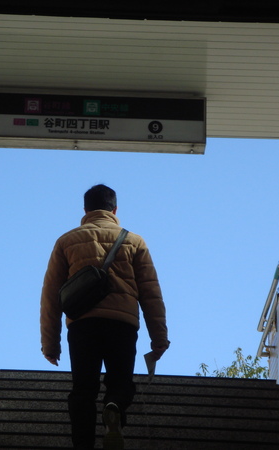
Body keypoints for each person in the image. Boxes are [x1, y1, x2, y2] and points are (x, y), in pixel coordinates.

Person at [40, 184, 169, 450]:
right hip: (122, 324)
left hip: (82, 325)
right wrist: (159, 338)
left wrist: (51, 344)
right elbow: (151, 293)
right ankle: (114, 406)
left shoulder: (66, 241)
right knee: (120, 381)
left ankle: (84, 445)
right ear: (115, 209)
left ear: (85, 210)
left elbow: (51, 296)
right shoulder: (134, 241)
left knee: (83, 389)